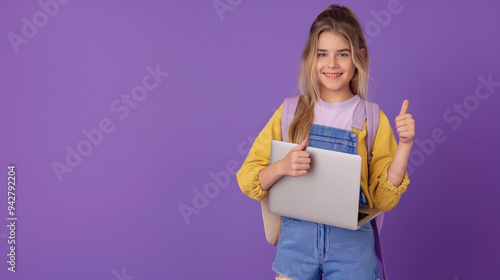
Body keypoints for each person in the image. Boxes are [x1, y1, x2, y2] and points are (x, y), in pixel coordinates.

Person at [236, 4, 414, 280]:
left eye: (342, 54)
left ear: (358, 57)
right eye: (322, 54)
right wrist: (280, 167)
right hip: (296, 247)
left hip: (352, 251)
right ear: (310, 58)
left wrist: (404, 145)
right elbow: (248, 178)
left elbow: (382, 198)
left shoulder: (371, 118)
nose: (332, 64)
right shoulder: (290, 112)